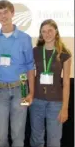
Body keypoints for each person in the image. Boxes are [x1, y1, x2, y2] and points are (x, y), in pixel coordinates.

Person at [0, 0, 35, 147]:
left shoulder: (25, 38)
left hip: (20, 90)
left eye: (5, 12)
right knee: (0, 137)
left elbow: (30, 67)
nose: (3, 16)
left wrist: (31, 93)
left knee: (18, 136)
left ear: (12, 13)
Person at [30, 19, 71, 147]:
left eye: (50, 31)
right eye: (43, 31)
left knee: (54, 141)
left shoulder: (64, 54)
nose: (47, 34)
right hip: (36, 101)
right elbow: (28, 75)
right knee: (37, 139)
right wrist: (26, 98)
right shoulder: (35, 51)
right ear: (40, 34)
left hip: (56, 103)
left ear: (56, 32)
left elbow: (66, 83)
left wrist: (65, 108)